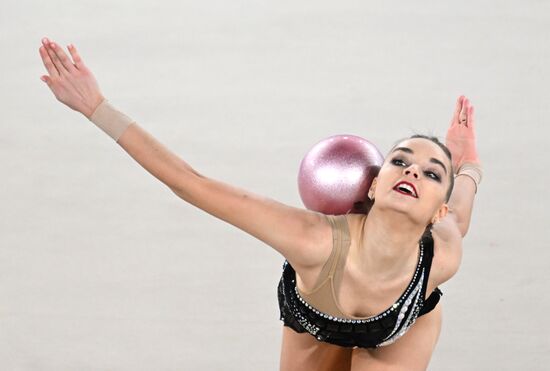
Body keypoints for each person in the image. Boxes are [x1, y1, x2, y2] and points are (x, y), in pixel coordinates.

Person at [38, 37, 482, 371]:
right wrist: (97, 107)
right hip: (316, 322)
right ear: (371, 185)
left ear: (435, 211)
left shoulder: (442, 252)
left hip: (401, 326)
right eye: (400, 160)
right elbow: (192, 183)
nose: (411, 172)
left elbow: (459, 213)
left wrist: (468, 164)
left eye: (431, 173)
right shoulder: (312, 241)